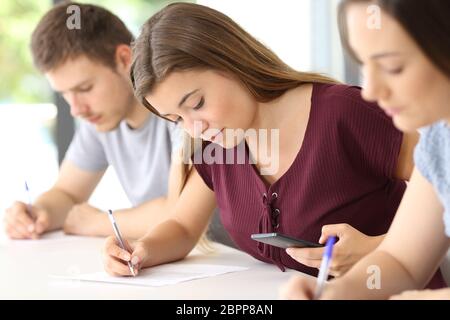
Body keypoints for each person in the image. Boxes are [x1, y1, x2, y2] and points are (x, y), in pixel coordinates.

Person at [102, 2, 442, 288]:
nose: (195, 127)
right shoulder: (219, 145)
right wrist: (141, 250)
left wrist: (373, 247)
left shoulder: (346, 114)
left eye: (197, 103)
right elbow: (182, 226)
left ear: (231, 62)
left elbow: (437, 194)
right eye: (176, 119)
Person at [280, 0, 450, 299]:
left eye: (391, 67)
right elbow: (400, 262)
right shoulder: (439, 141)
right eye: (364, 65)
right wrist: (335, 293)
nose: (370, 90)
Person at [3, 2, 183, 240]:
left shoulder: (180, 109)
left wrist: (99, 222)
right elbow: (67, 194)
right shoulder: (101, 119)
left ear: (124, 59)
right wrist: (37, 212)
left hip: (230, 262)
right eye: (65, 94)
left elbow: (180, 212)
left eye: (85, 88)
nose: (76, 109)